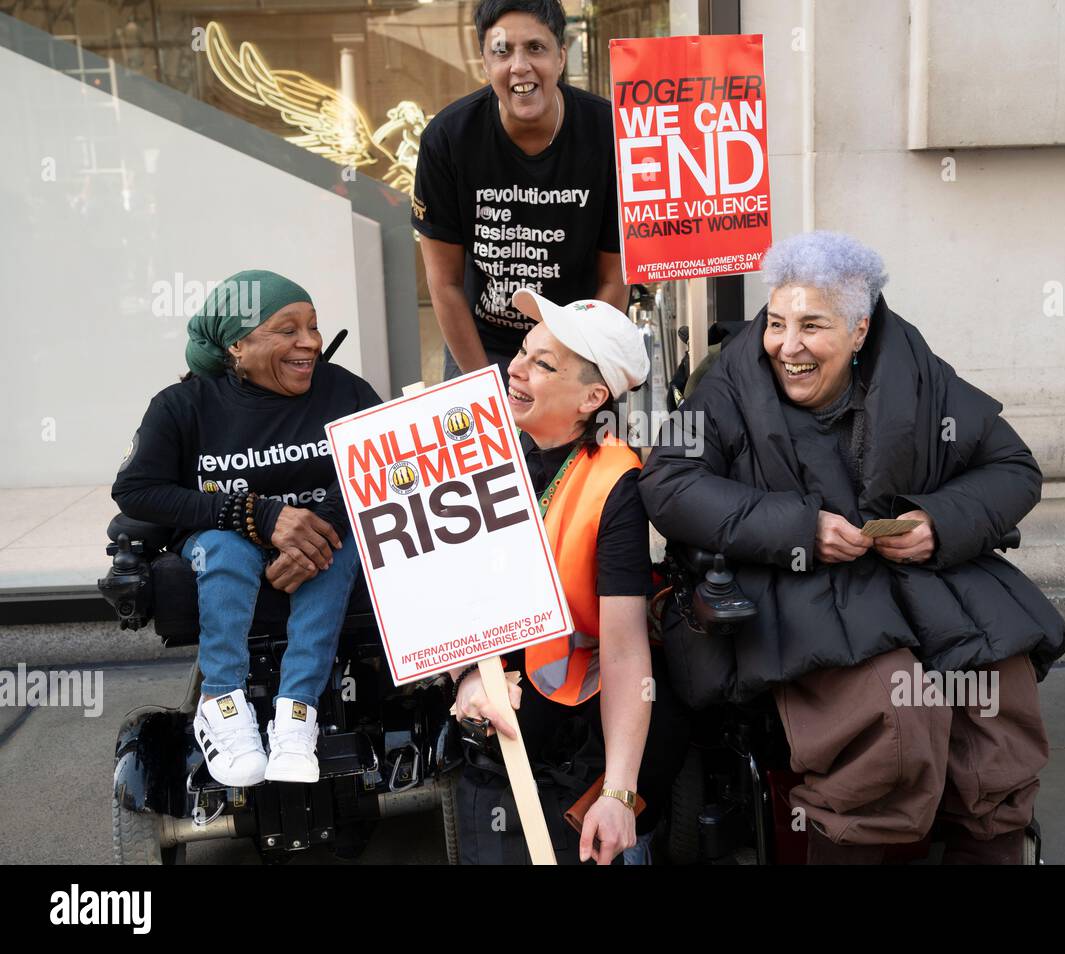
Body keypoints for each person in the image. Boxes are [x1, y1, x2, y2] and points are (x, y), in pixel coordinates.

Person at [638, 232, 1065, 864]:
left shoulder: (916, 372)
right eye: (777, 323)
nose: (787, 346)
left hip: (919, 578)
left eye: (812, 327)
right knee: (893, 712)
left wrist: (938, 522)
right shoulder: (733, 382)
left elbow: (1012, 466)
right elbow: (670, 483)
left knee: (997, 692)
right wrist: (799, 529)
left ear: (860, 329)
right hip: (794, 581)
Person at [112, 270, 381, 786]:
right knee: (224, 550)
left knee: (334, 551)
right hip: (224, 541)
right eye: (288, 330)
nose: (310, 343)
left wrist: (320, 523)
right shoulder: (182, 406)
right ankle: (222, 702)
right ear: (237, 343)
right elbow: (137, 491)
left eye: (314, 327)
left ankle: (296, 714)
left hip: (322, 544)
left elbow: (386, 465)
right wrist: (251, 514)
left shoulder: (344, 391)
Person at [446, 290, 687, 865]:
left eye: (543, 364)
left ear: (593, 397)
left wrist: (618, 794)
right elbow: (439, 596)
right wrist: (468, 677)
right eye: (524, 352)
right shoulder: (475, 453)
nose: (516, 368)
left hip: (570, 740)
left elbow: (627, 654)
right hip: (496, 729)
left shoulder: (615, 485)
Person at [411, 0, 628, 382]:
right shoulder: (447, 139)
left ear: (561, 57)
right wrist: (484, 388)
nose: (519, 66)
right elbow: (443, 284)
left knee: (582, 443)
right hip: (480, 343)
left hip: (578, 343)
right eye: (502, 51)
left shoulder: (608, 133)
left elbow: (614, 279)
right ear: (484, 63)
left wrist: (571, 370)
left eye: (535, 48)